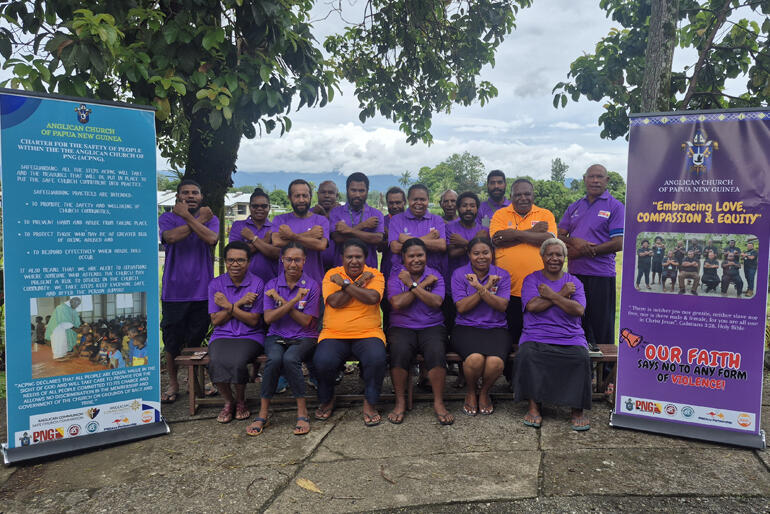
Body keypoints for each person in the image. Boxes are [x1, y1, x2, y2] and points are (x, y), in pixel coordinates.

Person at [515, 238, 591, 431]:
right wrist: (563, 295)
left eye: (559, 254)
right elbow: (532, 306)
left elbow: (578, 310)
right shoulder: (532, 279)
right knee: (528, 353)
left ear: (565, 258)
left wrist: (552, 294)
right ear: (542, 257)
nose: (554, 258)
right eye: (550, 254)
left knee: (580, 357)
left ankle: (577, 411)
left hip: (569, 336)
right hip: (536, 335)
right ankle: (534, 408)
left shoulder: (574, 282)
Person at [248, 242, 321, 436]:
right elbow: (269, 318)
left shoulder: (312, 285)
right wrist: (294, 301)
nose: (293, 264)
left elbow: (306, 321)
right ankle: (263, 412)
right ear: (282, 260)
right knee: (274, 360)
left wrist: (281, 301)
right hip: (277, 335)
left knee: (290, 359)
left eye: (297, 259)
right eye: (289, 259)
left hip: (305, 336)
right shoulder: (272, 284)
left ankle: (302, 412)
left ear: (304, 261)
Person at [313, 239, 387, 426]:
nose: (354, 261)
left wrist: (345, 285)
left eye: (358, 257)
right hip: (334, 333)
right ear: (342, 258)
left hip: (368, 332)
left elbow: (372, 298)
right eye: (349, 257)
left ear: (365, 258)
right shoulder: (332, 274)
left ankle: (370, 402)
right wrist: (360, 283)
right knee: (323, 361)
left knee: (377, 359)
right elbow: (336, 302)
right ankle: (327, 398)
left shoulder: (376, 275)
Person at [158, 179, 219, 403]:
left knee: (197, 340)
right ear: (178, 197)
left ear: (201, 197)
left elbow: (212, 238)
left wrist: (193, 218)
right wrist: (195, 219)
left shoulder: (212, 219)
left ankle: (197, 382)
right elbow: (171, 238)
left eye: (195, 192)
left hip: (202, 291)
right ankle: (173, 383)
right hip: (174, 292)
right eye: (186, 192)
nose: (191, 196)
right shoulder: (166, 218)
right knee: (172, 341)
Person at [557, 164, 624, 351]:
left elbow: (618, 243)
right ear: (585, 179)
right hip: (575, 276)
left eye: (600, 177)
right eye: (591, 176)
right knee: (577, 323)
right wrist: (576, 241)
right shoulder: (575, 206)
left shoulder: (615, 206)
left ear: (607, 180)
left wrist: (585, 250)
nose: (595, 180)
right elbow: (559, 236)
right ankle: (581, 368)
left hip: (602, 276)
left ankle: (605, 375)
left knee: (602, 327)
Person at [387, 238, 453, 425]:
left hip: (431, 325)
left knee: (436, 351)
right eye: (411, 256)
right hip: (402, 326)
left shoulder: (436, 275)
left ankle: (439, 402)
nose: (416, 259)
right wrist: (419, 285)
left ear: (426, 256)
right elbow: (398, 303)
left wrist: (413, 286)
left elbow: (436, 302)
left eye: (420, 255)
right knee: (398, 351)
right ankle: (400, 401)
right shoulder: (396, 276)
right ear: (403, 258)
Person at [491, 179, 556, 352]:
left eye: (527, 194)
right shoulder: (500, 214)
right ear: (510, 196)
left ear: (533, 195)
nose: (523, 198)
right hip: (507, 288)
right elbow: (497, 240)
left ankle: (534, 374)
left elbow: (549, 240)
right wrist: (533, 233)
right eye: (518, 194)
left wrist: (513, 235)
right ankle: (510, 376)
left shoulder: (545, 214)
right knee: (511, 335)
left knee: (537, 335)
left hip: (539, 289)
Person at [451, 237, 511, 416]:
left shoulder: (502, 274)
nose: (481, 257)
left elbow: (502, 306)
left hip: (496, 328)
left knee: (495, 363)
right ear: (469, 255)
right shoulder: (459, 274)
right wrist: (485, 287)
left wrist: (479, 287)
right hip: (466, 327)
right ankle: (471, 391)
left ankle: (484, 392)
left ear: (492, 254)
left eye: (485, 252)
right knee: (474, 359)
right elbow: (462, 307)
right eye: (476, 253)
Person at [207, 241, 266, 423]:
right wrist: (238, 304)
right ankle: (228, 401)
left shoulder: (257, 283)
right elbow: (216, 321)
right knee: (215, 361)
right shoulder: (216, 284)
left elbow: (254, 320)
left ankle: (241, 400)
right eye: (231, 260)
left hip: (251, 335)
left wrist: (228, 306)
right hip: (222, 335)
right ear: (225, 261)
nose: (235, 264)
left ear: (248, 262)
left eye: (240, 260)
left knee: (238, 362)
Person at [271, 179, 330, 282]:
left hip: (314, 283)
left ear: (310, 197)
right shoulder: (280, 220)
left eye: (305, 196)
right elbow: (277, 242)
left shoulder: (321, 220)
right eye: (297, 196)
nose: (301, 200)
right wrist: (310, 235)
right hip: (286, 285)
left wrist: (291, 236)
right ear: (289, 198)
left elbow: (320, 245)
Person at [445, 191, 488, 331]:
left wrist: (463, 243)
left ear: (477, 209)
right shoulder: (449, 228)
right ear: (458, 208)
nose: (468, 209)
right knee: (452, 325)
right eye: (464, 205)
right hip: (453, 285)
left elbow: (486, 255)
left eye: (472, 205)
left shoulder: (484, 230)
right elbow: (452, 253)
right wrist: (475, 243)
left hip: (478, 286)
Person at [389, 183, 447, 280]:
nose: (419, 203)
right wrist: (429, 238)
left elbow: (441, 245)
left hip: (432, 275)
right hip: (402, 275)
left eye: (422, 199)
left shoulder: (437, 220)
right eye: (415, 199)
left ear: (428, 200)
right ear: (408, 200)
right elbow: (395, 247)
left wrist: (406, 239)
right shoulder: (396, 220)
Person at [329, 172, 384, 269]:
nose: (357, 194)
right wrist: (364, 226)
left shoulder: (376, 214)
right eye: (353, 190)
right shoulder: (336, 212)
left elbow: (377, 239)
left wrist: (348, 230)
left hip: (369, 272)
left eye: (361, 191)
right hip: (341, 272)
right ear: (347, 190)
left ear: (367, 191)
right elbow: (337, 238)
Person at [229, 188, 280, 283]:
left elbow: (277, 254)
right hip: (243, 283)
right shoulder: (238, 226)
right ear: (249, 207)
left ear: (269, 207)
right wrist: (264, 242)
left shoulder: (276, 228)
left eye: (264, 206)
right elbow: (236, 255)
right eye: (255, 206)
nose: (259, 209)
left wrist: (252, 238)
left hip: (271, 284)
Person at [380, 186, 406, 330]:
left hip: (412, 272)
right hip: (388, 270)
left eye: (398, 202)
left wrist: (390, 235)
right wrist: (392, 241)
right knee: (388, 308)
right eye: (391, 203)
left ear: (405, 202)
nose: (395, 206)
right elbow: (379, 246)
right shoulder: (382, 221)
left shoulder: (411, 219)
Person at [312, 180, 340, 272]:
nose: (327, 196)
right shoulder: (308, 214)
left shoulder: (343, 214)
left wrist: (330, 214)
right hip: (313, 269)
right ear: (317, 194)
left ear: (337, 196)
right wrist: (327, 216)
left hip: (339, 269)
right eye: (323, 192)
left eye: (331, 193)